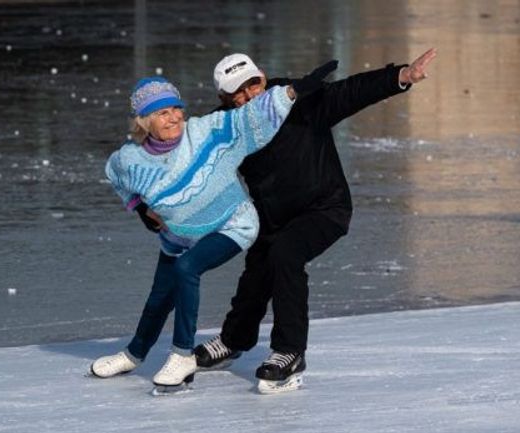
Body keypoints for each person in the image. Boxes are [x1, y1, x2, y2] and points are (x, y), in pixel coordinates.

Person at [187, 49, 438, 393]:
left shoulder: (299, 100)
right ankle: (234, 339)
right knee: (258, 268)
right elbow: (189, 164)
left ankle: (289, 352)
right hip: (273, 216)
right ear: (224, 99)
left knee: (285, 255)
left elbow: (350, 92)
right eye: (238, 93)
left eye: (253, 85)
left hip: (325, 208)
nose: (249, 96)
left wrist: (401, 76)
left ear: (263, 77)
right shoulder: (224, 127)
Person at [90, 65, 336, 392]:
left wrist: (290, 93)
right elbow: (116, 176)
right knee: (160, 296)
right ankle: (134, 354)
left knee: (187, 268)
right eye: (163, 113)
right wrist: (141, 209)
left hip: (232, 223)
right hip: (179, 234)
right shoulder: (130, 159)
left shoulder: (205, 131)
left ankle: (182, 355)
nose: (174, 118)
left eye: (176, 109)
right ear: (144, 121)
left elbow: (248, 118)